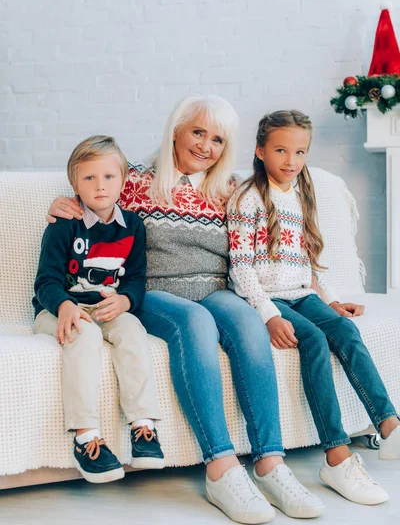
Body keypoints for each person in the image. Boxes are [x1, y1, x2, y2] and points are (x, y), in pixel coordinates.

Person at [47, 95, 325, 523]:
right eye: (198, 132)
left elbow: (275, 241)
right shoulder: (136, 179)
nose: (206, 146)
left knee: (249, 326)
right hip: (154, 291)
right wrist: (64, 206)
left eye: (217, 139)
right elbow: (95, 196)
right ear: (175, 130)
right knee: (196, 323)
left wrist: (318, 288)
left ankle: (270, 462)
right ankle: (221, 467)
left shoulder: (231, 188)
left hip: (216, 287)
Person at [227, 109, 400, 507]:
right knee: (315, 341)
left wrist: (329, 300)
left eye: (300, 152)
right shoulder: (247, 197)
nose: (291, 160)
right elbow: (240, 268)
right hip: (267, 298)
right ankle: (336, 456)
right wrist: (267, 314)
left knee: (345, 330)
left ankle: (389, 425)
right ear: (260, 150)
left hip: (302, 293)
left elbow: (306, 262)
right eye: (281, 150)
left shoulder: (301, 194)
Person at [34, 135, 164, 484]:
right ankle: (86, 436)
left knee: (133, 330)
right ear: (74, 183)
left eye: (108, 177)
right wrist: (63, 306)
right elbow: (45, 282)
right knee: (84, 335)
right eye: (89, 178)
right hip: (60, 309)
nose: (100, 186)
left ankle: (143, 426)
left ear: (123, 181)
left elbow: (136, 278)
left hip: (107, 307)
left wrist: (125, 301)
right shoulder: (64, 224)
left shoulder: (133, 226)